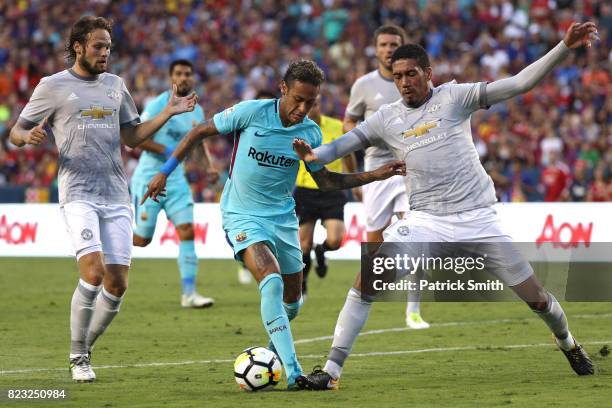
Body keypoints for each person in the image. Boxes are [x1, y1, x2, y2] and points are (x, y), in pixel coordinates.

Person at [294, 22, 599, 390]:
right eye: (397, 76)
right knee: (366, 282)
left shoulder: (455, 97)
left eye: (411, 74)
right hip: (424, 221)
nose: (404, 82)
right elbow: (340, 146)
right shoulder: (386, 118)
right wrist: (314, 155)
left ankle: (568, 343)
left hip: (478, 220)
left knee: (537, 299)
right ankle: (331, 371)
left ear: (428, 74)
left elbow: (520, 83)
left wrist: (564, 46)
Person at [141, 60, 406, 390]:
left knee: (293, 303)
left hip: (283, 219)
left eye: (310, 102)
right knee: (271, 279)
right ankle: (294, 372)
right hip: (242, 214)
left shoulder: (310, 132)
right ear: (283, 89)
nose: (302, 108)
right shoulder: (250, 112)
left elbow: (324, 181)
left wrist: (375, 175)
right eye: (298, 98)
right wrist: (164, 171)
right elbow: (198, 132)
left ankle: (269, 355)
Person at [9, 16, 196, 383]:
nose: (105, 53)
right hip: (78, 192)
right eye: (98, 46)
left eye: (108, 47)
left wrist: (169, 111)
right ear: (78, 47)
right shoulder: (53, 86)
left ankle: (84, 347)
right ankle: (78, 356)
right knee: (93, 273)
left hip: (115, 192)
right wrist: (25, 138)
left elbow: (132, 136)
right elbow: (17, 129)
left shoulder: (116, 86)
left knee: (118, 284)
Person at [343, 24, 428, 329]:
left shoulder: (415, 81)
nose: (389, 49)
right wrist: (354, 165)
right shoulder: (364, 85)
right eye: (383, 44)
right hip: (376, 170)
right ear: (376, 49)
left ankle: (414, 310)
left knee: (414, 231)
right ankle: (366, 297)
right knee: (375, 244)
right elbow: (349, 121)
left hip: (408, 167)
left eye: (394, 44)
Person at [131, 59, 214, 308]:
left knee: (187, 230)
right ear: (171, 78)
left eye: (188, 73)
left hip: (176, 179)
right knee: (143, 240)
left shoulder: (196, 110)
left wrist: (208, 166)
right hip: (148, 177)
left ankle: (189, 293)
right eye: (178, 73)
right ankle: (107, 243)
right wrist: (170, 149)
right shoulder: (158, 104)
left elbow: (197, 142)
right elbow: (136, 137)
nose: (184, 77)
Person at [294, 95, 356, 296]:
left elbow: (348, 154)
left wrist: (352, 181)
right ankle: (301, 285)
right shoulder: (296, 130)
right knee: (303, 244)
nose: (311, 107)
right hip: (305, 190)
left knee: (336, 240)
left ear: (320, 105)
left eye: (315, 103)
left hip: (331, 189)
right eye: (307, 103)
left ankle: (321, 251)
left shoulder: (336, 126)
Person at [236, 89, 278, 285]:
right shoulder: (247, 126)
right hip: (243, 204)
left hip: (275, 202)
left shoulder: (284, 134)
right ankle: (246, 260)